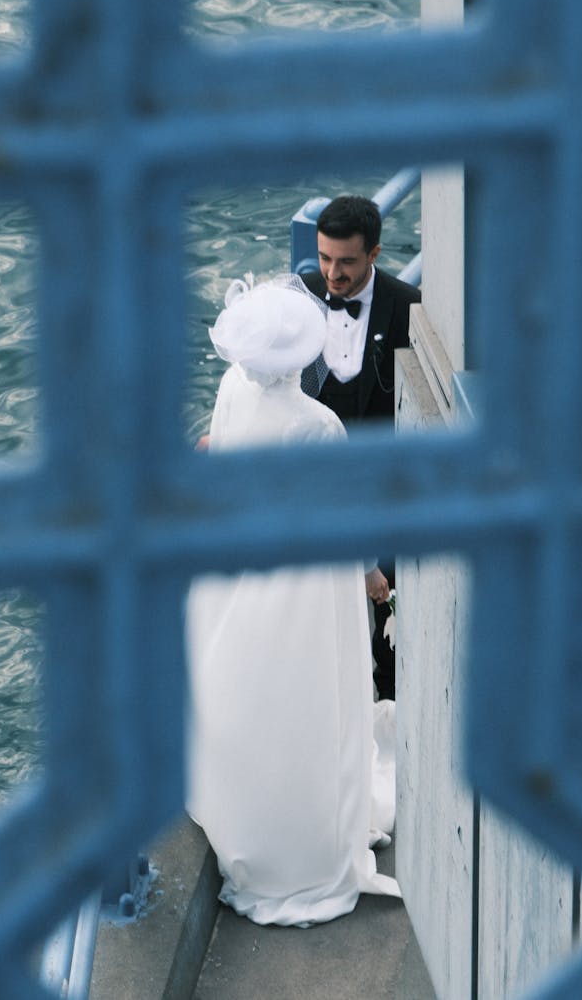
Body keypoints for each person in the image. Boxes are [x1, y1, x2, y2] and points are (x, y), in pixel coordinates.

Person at [185, 275, 400, 927]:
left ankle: (250, 820)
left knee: (247, 696)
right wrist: (375, 578)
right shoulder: (319, 425)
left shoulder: (229, 394)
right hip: (305, 586)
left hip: (237, 571)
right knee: (310, 698)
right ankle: (307, 844)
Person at [301, 196, 420, 700]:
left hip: (381, 491)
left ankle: (387, 704)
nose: (332, 273)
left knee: (390, 610)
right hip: (313, 486)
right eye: (325, 258)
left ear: (373, 253)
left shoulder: (409, 306)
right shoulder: (299, 298)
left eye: (346, 261)